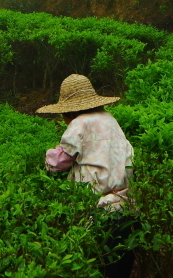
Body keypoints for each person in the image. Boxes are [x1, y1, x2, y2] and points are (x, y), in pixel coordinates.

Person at [39, 74, 135, 278]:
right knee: (121, 262)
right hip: (126, 203)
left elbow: (59, 162)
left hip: (99, 208)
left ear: (69, 111)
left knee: (99, 263)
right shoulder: (110, 118)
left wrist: (47, 159)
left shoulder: (79, 123)